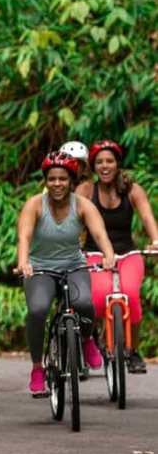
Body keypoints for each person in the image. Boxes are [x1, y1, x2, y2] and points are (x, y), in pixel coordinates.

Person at [16, 151, 115, 396]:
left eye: (62, 179)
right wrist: (23, 262)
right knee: (38, 310)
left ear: (71, 181)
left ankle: (86, 340)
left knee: (84, 304)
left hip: (73, 265)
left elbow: (100, 234)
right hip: (40, 268)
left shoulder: (82, 205)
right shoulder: (35, 205)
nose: (57, 184)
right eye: (52, 179)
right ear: (45, 181)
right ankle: (38, 368)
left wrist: (108, 255)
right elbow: (24, 236)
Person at [80, 140, 158, 373]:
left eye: (110, 161)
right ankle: (90, 343)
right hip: (95, 254)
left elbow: (147, 218)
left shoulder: (132, 190)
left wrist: (155, 240)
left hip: (128, 254)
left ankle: (132, 350)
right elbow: (74, 220)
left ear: (117, 164)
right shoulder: (85, 190)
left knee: (131, 297)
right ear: (93, 166)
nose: (105, 166)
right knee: (95, 299)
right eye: (100, 162)